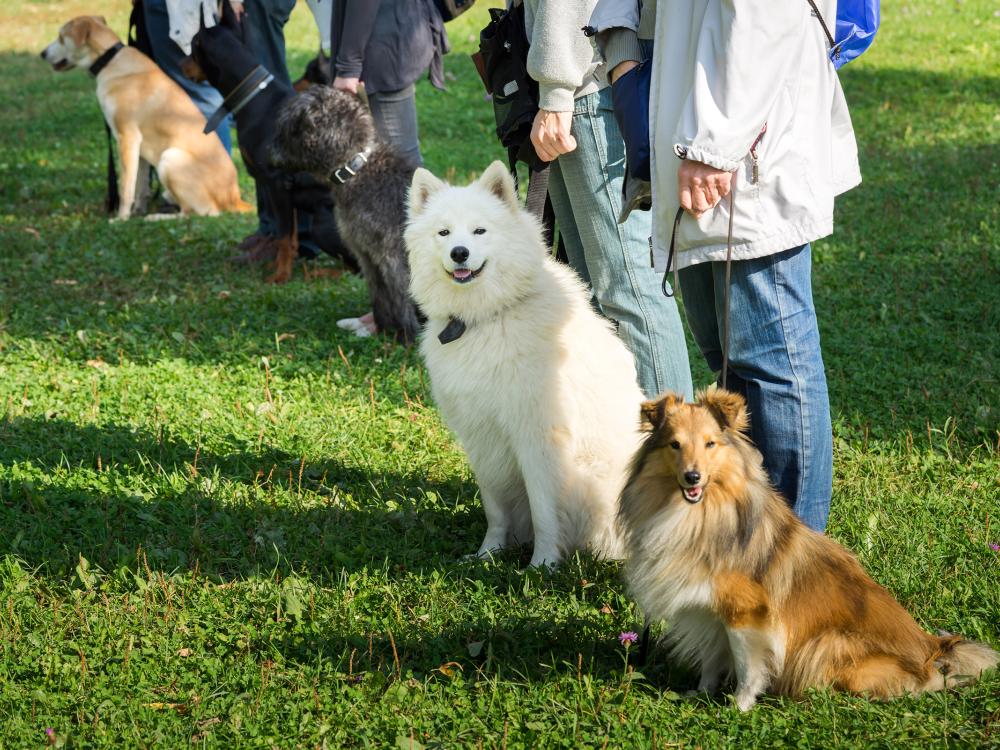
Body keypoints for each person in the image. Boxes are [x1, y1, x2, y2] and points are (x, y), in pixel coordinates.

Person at [590, 0, 862, 531]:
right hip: (691, 149)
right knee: (731, 364)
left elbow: (767, 15)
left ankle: (793, 564)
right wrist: (623, 60)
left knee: (770, 365)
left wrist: (714, 145)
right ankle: (744, 547)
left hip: (740, 151)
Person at [521, 0, 693, 401]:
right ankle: (627, 443)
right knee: (592, 291)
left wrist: (556, 89)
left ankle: (673, 452)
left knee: (627, 289)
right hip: (583, 82)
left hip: (587, 86)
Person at [328, 0, 449, 168]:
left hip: (382, 47)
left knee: (399, 165)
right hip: (387, 37)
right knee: (390, 163)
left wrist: (349, 66)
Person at [143, 0, 233, 151]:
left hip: (183, 9)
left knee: (203, 94)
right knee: (186, 93)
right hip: (174, 9)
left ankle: (218, 169)